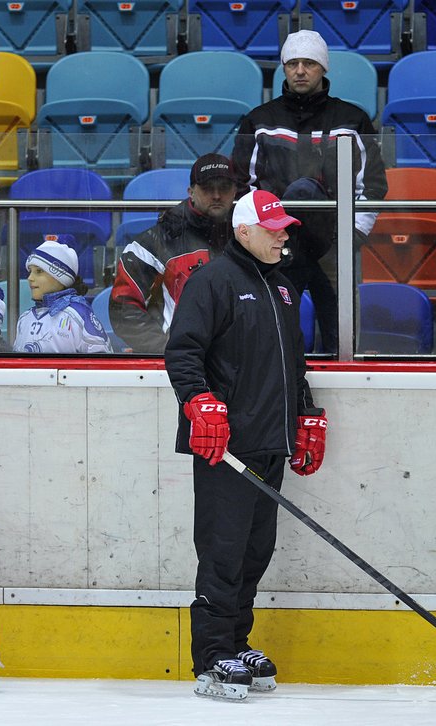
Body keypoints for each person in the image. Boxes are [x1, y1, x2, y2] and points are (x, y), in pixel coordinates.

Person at [164, 190, 327, 701]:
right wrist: (199, 402)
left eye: (284, 226)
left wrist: (304, 412)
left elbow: (292, 364)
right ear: (243, 232)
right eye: (273, 226)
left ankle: (237, 641)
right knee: (223, 551)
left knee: (256, 551)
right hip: (227, 448)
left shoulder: (281, 288)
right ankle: (212, 656)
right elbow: (182, 352)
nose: (283, 233)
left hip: (269, 443)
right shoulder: (212, 281)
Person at [231, 29, 388, 353]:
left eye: (309, 63)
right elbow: (242, 186)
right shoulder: (259, 121)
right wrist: (258, 237)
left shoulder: (352, 119)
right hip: (276, 244)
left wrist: (352, 235)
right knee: (274, 333)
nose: (300, 70)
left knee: (341, 334)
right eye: (293, 63)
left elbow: (372, 183)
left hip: (334, 246)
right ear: (284, 68)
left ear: (323, 68)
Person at [108, 153, 236, 354]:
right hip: (179, 366)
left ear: (235, 191)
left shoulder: (248, 238)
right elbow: (123, 309)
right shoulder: (155, 242)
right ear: (191, 192)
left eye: (225, 187)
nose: (217, 195)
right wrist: (169, 350)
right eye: (208, 188)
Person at [14, 241, 112, 354]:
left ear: (60, 276)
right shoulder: (24, 318)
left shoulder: (78, 315)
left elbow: (101, 364)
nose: (30, 278)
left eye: (39, 271)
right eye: (30, 271)